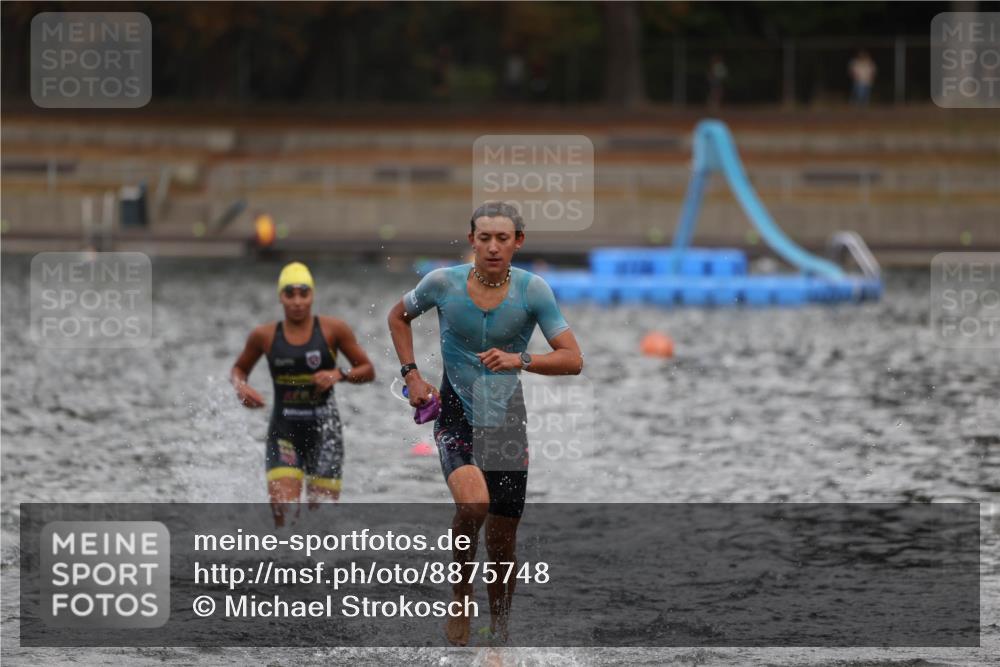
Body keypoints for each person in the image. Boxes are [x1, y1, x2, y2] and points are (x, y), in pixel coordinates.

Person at [387, 202, 583, 645]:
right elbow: (397, 316)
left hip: (507, 423)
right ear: (471, 240)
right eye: (485, 238)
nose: (493, 247)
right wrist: (412, 375)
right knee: (473, 505)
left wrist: (521, 359)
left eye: (503, 238)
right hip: (455, 415)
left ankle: (499, 634)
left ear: (518, 242)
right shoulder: (442, 284)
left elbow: (574, 359)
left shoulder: (534, 292)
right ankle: (459, 599)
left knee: (501, 541)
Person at [231, 262, 374, 526]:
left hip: (325, 435)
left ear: (312, 295)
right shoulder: (263, 336)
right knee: (285, 514)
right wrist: (241, 386)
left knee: (321, 524)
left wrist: (339, 374)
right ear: (280, 297)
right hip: (284, 432)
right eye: (290, 294)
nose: (297, 301)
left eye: (303, 293)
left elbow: (367, 370)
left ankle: (314, 567)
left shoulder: (334, 330)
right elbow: (239, 368)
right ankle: (282, 566)